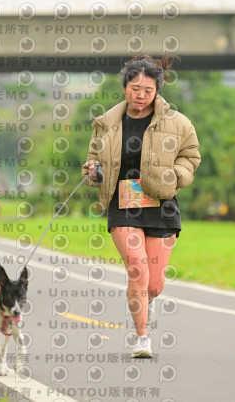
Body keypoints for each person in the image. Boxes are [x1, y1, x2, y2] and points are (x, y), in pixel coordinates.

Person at [81, 53, 201, 358]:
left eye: (148, 90)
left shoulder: (177, 123)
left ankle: (146, 301)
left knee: (154, 285)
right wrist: (92, 171)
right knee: (137, 269)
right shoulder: (107, 124)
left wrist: (176, 176)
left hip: (161, 204)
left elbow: (191, 156)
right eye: (135, 89)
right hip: (123, 204)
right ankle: (142, 338)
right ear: (125, 87)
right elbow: (92, 160)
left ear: (157, 91)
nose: (141, 95)